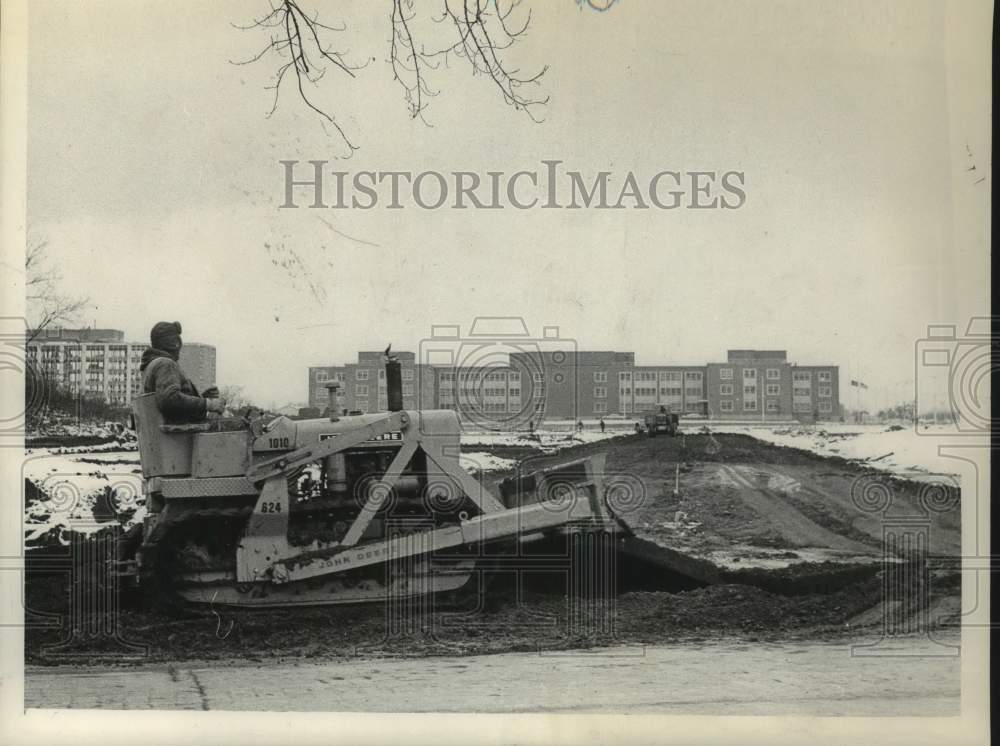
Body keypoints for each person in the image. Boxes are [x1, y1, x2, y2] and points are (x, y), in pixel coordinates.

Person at [140, 321, 225, 423]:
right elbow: (170, 400)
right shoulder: (165, 364)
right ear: (174, 343)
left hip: (161, 434)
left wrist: (201, 398)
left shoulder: (151, 365)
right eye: (177, 341)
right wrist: (208, 404)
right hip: (176, 436)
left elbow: (167, 399)